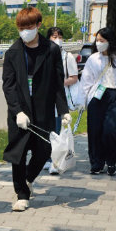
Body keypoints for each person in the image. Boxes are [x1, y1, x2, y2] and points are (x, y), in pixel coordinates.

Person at [2, 7, 70, 211]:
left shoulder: (51, 50)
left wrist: (63, 110)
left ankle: (28, 179)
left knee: (44, 150)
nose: (25, 31)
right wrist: (17, 111)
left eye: (29, 27)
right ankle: (21, 194)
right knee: (19, 154)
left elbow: (58, 83)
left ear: (39, 25)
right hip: (20, 111)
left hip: (43, 109)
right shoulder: (13, 52)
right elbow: (8, 85)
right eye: (21, 27)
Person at [80, 27, 116, 176]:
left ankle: (111, 160)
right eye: (97, 40)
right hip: (97, 96)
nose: (99, 43)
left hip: (114, 96)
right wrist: (84, 99)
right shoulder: (93, 59)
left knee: (109, 130)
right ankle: (96, 163)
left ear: (110, 41)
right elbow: (86, 80)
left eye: (102, 40)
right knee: (94, 131)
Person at [44, 26, 80, 175]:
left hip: (60, 98)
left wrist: (59, 83)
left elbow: (74, 78)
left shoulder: (67, 57)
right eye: (53, 36)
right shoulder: (43, 56)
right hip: (45, 99)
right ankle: (47, 159)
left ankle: (57, 162)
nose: (57, 39)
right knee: (47, 130)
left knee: (58, 130)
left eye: (59, 36)